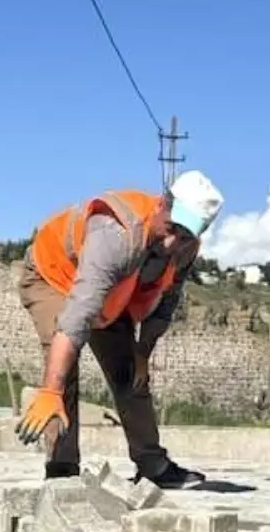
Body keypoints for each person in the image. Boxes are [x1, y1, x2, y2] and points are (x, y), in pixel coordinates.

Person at [14, 170, 224, 486]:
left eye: (184, 236)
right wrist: (50, 391)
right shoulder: (116, 233)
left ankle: (153, 465)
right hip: (55, 275)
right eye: (171, 228)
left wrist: (141, 354)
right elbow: (77, 317)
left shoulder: (184, 249)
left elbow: (164, 306)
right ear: (161, 205)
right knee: (63, 368)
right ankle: (62, 469)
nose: (172, 242)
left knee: (130, 374)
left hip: (112, 293)